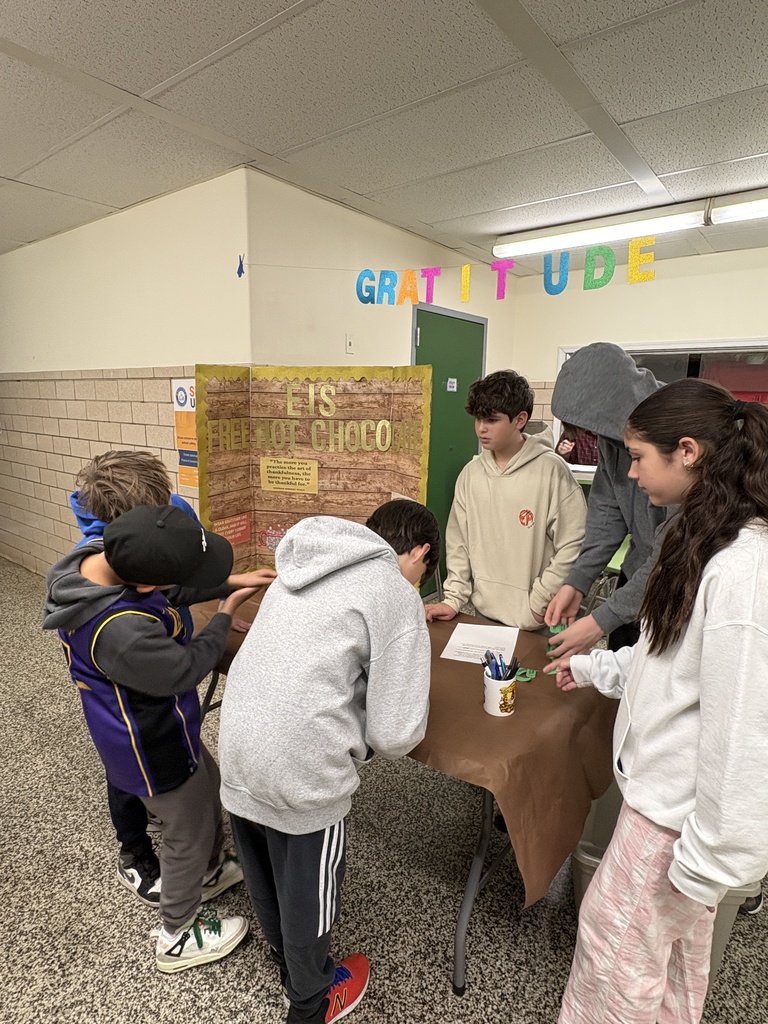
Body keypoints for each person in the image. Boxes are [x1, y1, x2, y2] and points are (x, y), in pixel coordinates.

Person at [548, 379, 768, 1023]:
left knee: (613, 961)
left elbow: (743, 731)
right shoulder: (696, 536)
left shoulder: (742, 570)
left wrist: (710, 862)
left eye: (640, 457)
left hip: (674, 824)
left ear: (689, 452)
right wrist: (597, 668)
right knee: (667, 969)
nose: (629, 471)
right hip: (664, 808)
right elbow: (665, 658)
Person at [217, 499, 439, 1023]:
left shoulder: (302, 564)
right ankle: (311, 1003)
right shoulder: (394, 592)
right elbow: (394, 734)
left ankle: (286, 965)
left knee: (264, 868)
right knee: (308, 892)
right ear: (421, 553)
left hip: (237, 747)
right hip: (303, 766)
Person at [43, 504, 276, 972]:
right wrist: (225, 613)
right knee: (187, 831)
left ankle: (208, 871)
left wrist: (230, 581)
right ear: (146, 583)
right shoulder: (120, 629)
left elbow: (170, 587)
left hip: (162, 726)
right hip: (149, 745)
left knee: (208, 783)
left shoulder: (101, 558)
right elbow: (184, 669)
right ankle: (177, 933)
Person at [69, 450, 204, 906]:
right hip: (130, 682)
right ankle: (135, 854)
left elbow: (175, 578)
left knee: (161, 753)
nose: (170, 510)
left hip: (159, 644)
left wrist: (221, 588)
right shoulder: (104, 568)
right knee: (129, 762)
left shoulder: (157, 518)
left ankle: (166, 815)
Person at [424, 369, 586, 631]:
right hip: (482, 612)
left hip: (537, 619)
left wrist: (540, 600)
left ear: (520, 419)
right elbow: (458, 543)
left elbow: (573, 543)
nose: (481, 428)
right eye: (478, 419)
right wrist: (454, 598)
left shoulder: (552, 471)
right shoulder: (470, 474)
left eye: (491, 420)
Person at [545, 343, 671, 656]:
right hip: (637, 569)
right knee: (620, 660)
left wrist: (601, 620)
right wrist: (577, 581)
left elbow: (673, 549)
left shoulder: (675, 430)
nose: (632, 473)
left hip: (676, 580)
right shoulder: (611, 437)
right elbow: (606, 513)